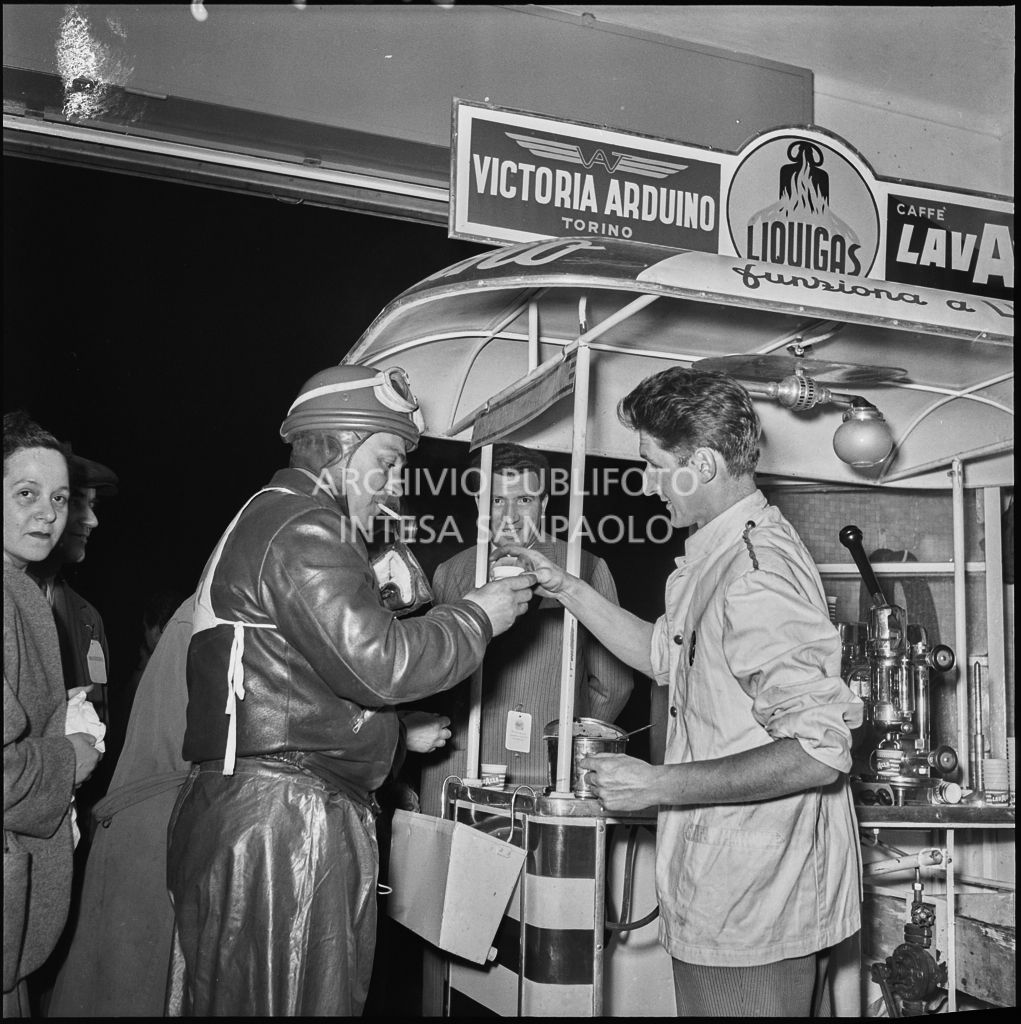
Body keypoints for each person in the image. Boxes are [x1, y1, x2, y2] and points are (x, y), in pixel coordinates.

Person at [165, 364, 535, 1017]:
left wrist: (393, 729)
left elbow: (308, 683)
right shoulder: (306, 525)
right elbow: (380, 665)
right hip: (285, 819)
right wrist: (475, 615)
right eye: (387, 462)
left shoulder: (277, 518)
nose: (394, 489)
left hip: (266, 808)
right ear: (339, 447)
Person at [502, 368, 864, 1018]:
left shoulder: (756, 576)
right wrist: (565, 587)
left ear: (699, 463)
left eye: (651, 464)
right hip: (721, 898)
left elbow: (816, 751)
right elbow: (660, 655)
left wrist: (656, 784)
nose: (645, 483)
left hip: (756, 912)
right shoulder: (715, 562)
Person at [419, 442, 633, 808]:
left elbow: (614, 684)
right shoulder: (448, 573)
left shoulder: (584, 569)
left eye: (524, 500)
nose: (510, 515)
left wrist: (562, 743)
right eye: (497, 501)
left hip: (545, 778)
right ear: (477, 505)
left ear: (544, 504)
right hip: (456, 772)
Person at [3, 412, 101, 1016]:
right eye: (26, 494)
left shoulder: (18, 586)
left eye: (59, 498)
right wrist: (72, 758)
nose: (49, 513)